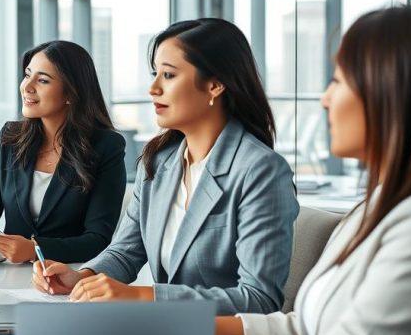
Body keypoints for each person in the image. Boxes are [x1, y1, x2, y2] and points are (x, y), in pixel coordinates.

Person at [211, 1, 411, 335]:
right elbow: (308, 329)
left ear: (393, 90)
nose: (323, 98)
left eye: (338, 80)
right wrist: (178, 329)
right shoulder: (378, 204)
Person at [33, 19, 297, 314]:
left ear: (215, 85)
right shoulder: (159, 161)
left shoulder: (260, 171)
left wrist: (142, 297)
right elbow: (126, 251)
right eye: (155, 73)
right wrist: (83, 278)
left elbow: (259, 299)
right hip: (164, 332)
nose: (153, 88)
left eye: (168, 75)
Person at [0, 40, 127, 264]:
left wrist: (36, 249)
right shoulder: (9, 138)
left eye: (43, 80)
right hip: (9, 278)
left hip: (71, 277)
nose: (27, 86)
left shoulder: (106, 146)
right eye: (27, 75)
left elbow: (97, 239)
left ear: (71, 93)